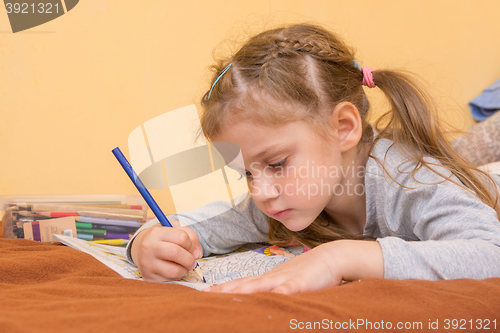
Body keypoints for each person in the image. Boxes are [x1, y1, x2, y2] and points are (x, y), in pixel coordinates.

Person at [127, 23, 500, 294]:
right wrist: (146, 243)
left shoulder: (408, 178)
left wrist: (337, 257)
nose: (260, 192)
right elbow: (193, 227)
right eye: (245, 174)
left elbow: (490, 255)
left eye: (275, 164)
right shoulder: (284, 199)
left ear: (342, 128)